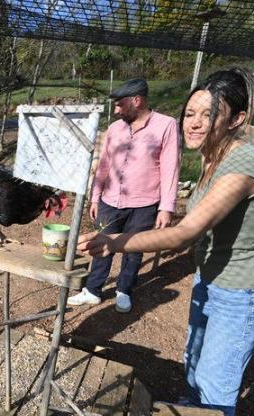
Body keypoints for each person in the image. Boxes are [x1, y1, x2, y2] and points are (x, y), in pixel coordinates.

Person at [77, 67, 254, 416]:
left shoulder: (245, 166)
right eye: (190, 113)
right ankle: (190, 413)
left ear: (237, 119)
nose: (194, 123)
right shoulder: (214, 156)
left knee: (218, 378)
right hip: (213, 277)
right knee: (194, 356)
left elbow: (186, 232)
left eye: (209, 114)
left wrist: (114, 242)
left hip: (246, 290)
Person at [68, 78, 180, 312]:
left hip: (145, 203)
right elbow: (104, 165)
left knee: (133, 249)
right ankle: (93, 290)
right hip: (110, 200)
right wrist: (95, 196)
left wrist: (166, 207)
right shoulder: (114, 129)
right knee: (101, 244)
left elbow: (171, 167)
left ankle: (124, 290)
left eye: (120, 105)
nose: (116, 110)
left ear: (137, 101)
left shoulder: (166, 125)